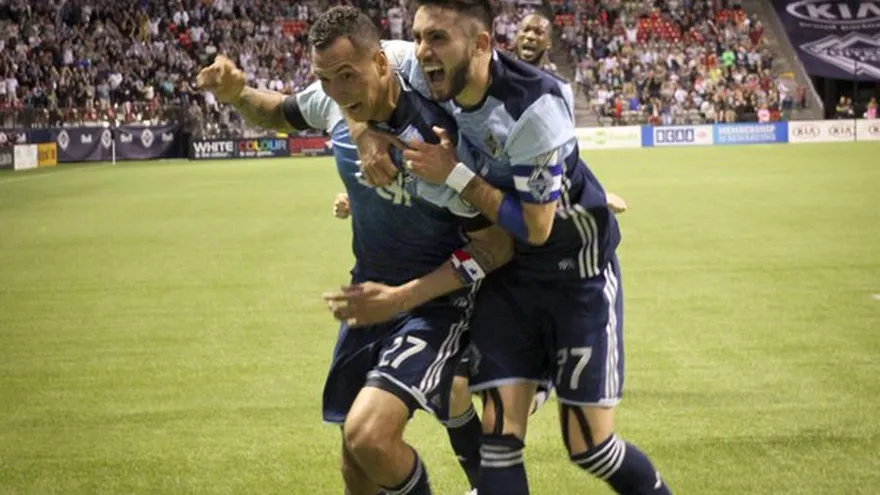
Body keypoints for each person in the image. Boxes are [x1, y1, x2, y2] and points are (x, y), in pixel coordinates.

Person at [324, 1, 672, 494]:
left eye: (437, 39)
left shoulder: (534, 106)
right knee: (498, 441)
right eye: (418, 37)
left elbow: (535, 229)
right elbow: (354, 84)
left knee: (590, 447)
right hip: (505, 276)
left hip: (575, 273)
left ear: (482, 43)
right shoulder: (416, 66)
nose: (422, 52)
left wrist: (455, 174)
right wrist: (366, 136)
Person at [197, 7, 514, 495]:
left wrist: (400, 298)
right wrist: (236, 93)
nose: (338, 90)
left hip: (438, 299)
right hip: (369, 294)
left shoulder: (440, 128)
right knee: (356, 464)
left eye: (348, 75)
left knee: (371, 436)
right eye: (326, 78)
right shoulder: (334, 105)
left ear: (383, 63)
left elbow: (494, 246)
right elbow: (277, 112)